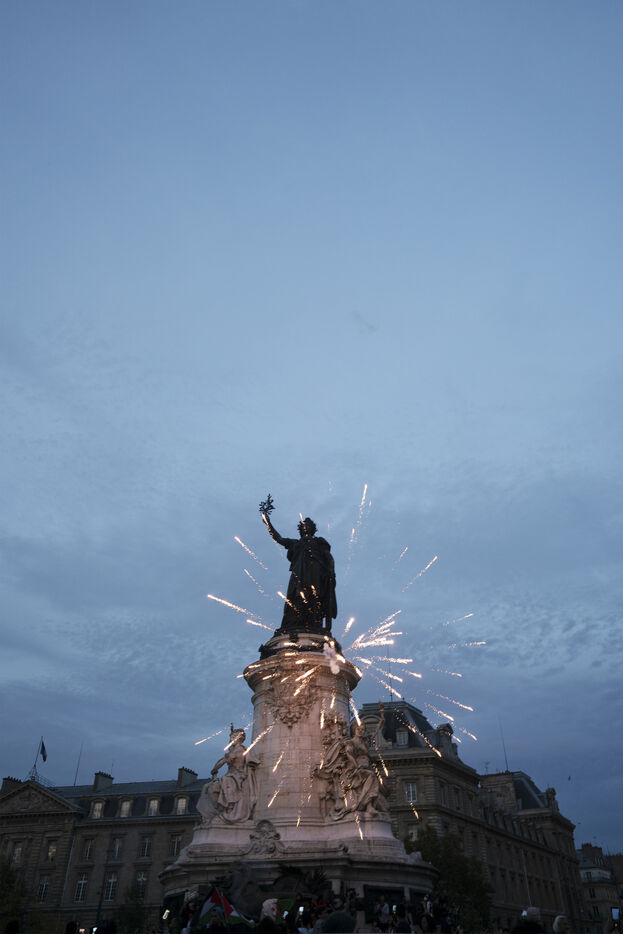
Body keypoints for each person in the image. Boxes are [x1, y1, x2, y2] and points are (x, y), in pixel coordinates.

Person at [261, 513, 337, 633]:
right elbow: (278, 538)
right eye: (303, 525)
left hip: (315, 571)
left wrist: (331, 571)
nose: (305, 527)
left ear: (313, 528)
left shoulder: (319, 542)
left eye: (308, 525)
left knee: (314, 595)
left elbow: (329, 557)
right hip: (298, 572)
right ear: (300, 529)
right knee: (295, 594)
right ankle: (294, 622)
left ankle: (314, 622)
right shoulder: (295, 543)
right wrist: (268, 524)